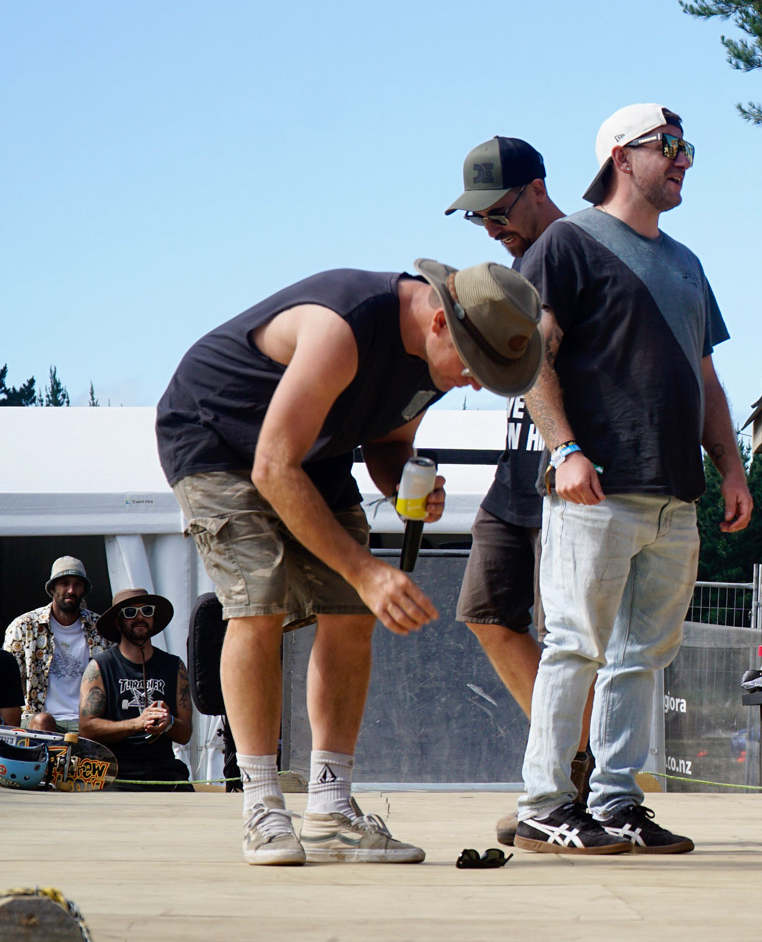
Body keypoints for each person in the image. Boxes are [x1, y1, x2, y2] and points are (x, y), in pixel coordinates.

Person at [157, 260, 543, 865]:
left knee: (350, 612)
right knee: (259, 599)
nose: (472, 383)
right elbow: (272, 468)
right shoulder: (342, 328)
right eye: (473, 367)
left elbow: (391, 443)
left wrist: (406, 485)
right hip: (216, 439)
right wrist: (367, 571)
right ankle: (262, 805)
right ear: (440, 323)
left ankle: (331, 810)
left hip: (311, 453)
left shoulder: (441, 356)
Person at [512, 103, 750, 856]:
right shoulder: (567, 242)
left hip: (676, 498)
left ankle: (616, 804)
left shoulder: (687, 264)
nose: (683, 160)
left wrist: (732, 467)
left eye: (688, 147)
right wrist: (565, 449)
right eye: (668, 145)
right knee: (574, 645)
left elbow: (706, 377)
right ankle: (543, 805)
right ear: (620, 156)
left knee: (641, 658)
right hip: (596, 489)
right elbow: (532, 357)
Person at [443, 135, 593, 845]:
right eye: (477, 217)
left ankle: (565, 779)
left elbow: (548, 348)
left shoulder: (568, 244)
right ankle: (565, 760)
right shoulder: (519, 265)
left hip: (563, 470)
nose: (489, 227)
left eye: (497, 211)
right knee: (484, 611)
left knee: (571, 637)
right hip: (515, 472)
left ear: (537, 188)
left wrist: (568, 448)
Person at [79, 589, 194, 792]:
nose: (140, 617)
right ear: (118, 622)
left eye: (147, 611)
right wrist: (136, 724)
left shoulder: (174, 666)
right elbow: (87, 729)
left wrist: (169, 722)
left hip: (164, 770)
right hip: (115, 773)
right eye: (130, 612)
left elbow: (185, 734)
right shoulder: (100, 666)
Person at [3, 557, 113, 733]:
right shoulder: (24, 626)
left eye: (77, 584)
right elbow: (8, 682)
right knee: (43, 721)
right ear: (52, 588)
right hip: (37, 719)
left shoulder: (100, 627)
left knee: (97, 727)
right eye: (64, 583)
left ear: (84, 590)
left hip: (87, 720)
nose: (71, 590)